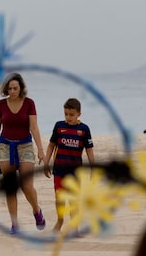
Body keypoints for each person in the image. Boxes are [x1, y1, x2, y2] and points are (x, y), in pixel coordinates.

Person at [0, 72, 46, 234]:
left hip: (25, 146)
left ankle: (36, 211)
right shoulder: (1, 105)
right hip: (5, 146)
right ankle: (15, 224)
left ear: (21, 88)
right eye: (9, 88)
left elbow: (34, 127)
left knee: (26, 185)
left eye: (15, 88)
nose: (12, 91)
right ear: (6, 89)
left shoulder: (29, 103)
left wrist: (40, 150)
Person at [43, 98, 95, 232]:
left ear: (79, 114)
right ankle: (59, 221)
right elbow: (51, 145)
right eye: (66, 114)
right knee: (60, 198)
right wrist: (46, 162)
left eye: (71, 115)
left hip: (75, 172)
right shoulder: (59, 126)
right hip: (59, 170)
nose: (68, 117)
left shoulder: (84, 129)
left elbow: (89, 149)